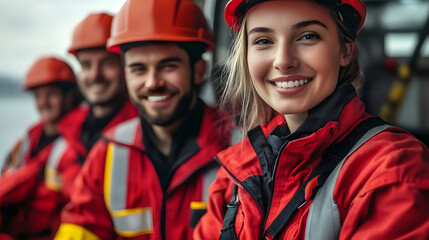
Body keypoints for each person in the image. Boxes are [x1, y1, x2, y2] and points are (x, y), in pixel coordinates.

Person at [194, 0, 429, 239]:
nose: (283, 60)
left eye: (307, 36)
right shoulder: (236, 174)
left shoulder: (391, 170)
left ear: (346, 51)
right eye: (263, 41)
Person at [54, 0, 231, 239]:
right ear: (126, 74)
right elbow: (80, 227)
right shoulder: (107, 153)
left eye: (168, 66)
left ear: (199, 70)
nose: (152, 82)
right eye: (138, 69)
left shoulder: (239, 147)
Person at [0, 56, 81, 239]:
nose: (43, 103)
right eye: (38, 96)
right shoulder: (27, 141)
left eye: (50, 94)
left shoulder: (78, 145)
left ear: (69, 95)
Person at [58, 12, 137, 159]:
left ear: (126, 66)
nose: (95, 76)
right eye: (86, 65)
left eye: (107, 63)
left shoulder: (147, 130)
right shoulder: (67, 127)